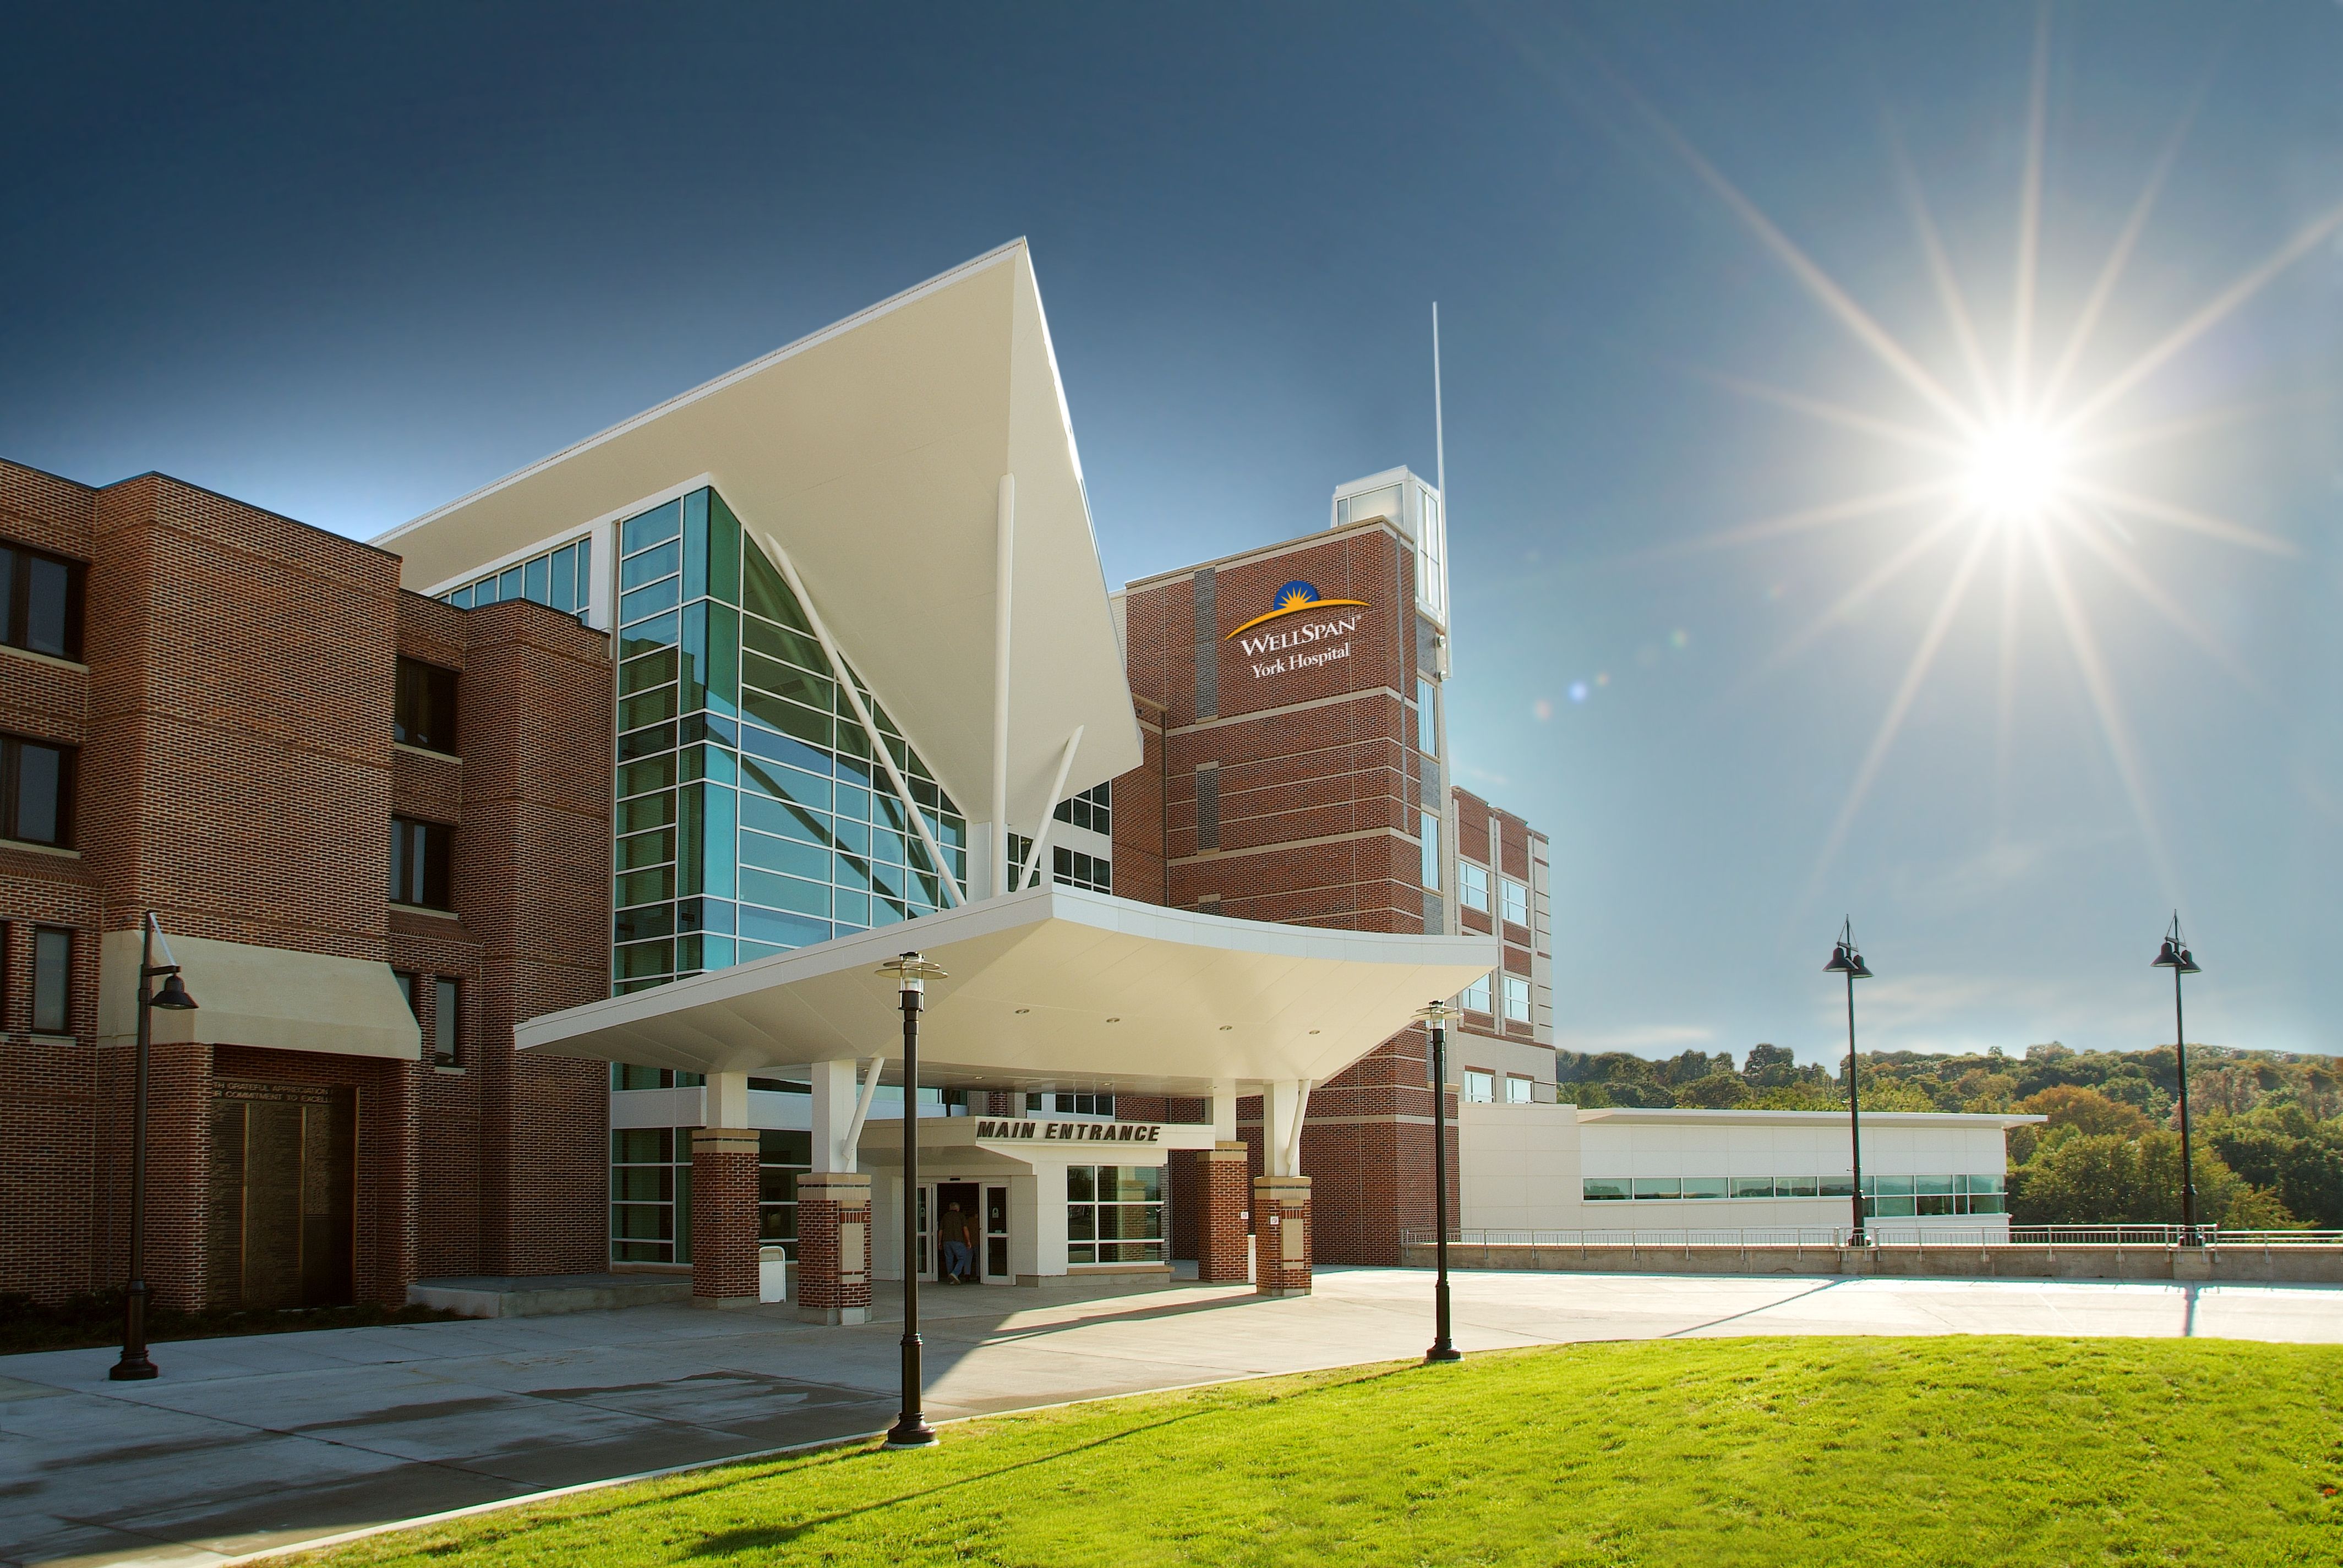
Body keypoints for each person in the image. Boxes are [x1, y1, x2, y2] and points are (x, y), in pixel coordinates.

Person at [940, 1202, 975, 1283]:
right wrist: (968, 1241)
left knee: (949, 1259)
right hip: (958, 1241)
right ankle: (955, 1273)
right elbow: (965, 1229)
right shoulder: (961, 1216)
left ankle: (951, 1279)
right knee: (962, 1258)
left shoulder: (945, 1216)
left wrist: (940, 1242)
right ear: (958, 1209)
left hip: (946, 1241)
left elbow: (941, 1231)